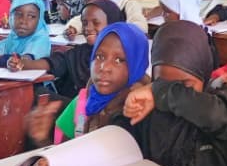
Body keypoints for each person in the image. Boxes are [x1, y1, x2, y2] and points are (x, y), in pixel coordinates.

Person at [123, 20, 227, 166]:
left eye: (184, 86)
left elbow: (215, 116)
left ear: (204, 75)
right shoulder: (151, 107)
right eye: (161, 81)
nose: (170, 90)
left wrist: (160, 90)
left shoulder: (223, 104)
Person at [24, 22, 149, 156]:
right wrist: (42, 140)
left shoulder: (142, 108)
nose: (104, 67)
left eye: (118, 60)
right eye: (99, 56)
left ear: (136, 64)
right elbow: (65, 159)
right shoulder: (82, 102)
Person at [7, 0, 123, 98]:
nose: (88, 28)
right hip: (75, 112)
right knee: (38, 93)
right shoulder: (79, 53)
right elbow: (54, 62)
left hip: (104, 113)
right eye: (84, 23)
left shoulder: (123, 57)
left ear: (112, 24)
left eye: (95, 23)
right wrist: (22, 64)